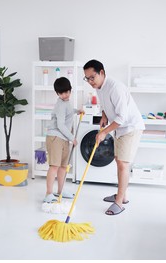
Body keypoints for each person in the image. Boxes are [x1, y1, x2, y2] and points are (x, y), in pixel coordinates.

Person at [83, 59, 145, 215]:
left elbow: (122, 117)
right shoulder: (99, 86)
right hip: (119, 128)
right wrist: (103, 115)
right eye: (87, 78)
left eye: (92, 77)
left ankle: (119, 203)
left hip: (130, 127)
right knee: (119, 162)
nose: (90, 82)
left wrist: (104, 132)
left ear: (102, 73)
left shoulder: (115, 87)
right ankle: (122, 196)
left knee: (123, 164)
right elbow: (105, 104)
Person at [43, 77, 84, 203]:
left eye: (67, 92)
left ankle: (61, 190)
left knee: (63, 167)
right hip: (56, 137)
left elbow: (69, 111)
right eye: (62, 93)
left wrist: (77, 111)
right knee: (54, 166)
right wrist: (72, 138)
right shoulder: (60, 104)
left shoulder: (67, 102)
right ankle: (48, 193)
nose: (65, 95)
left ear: (70, 90)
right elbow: (60, 125)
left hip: (64, 138)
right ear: (58, 94)